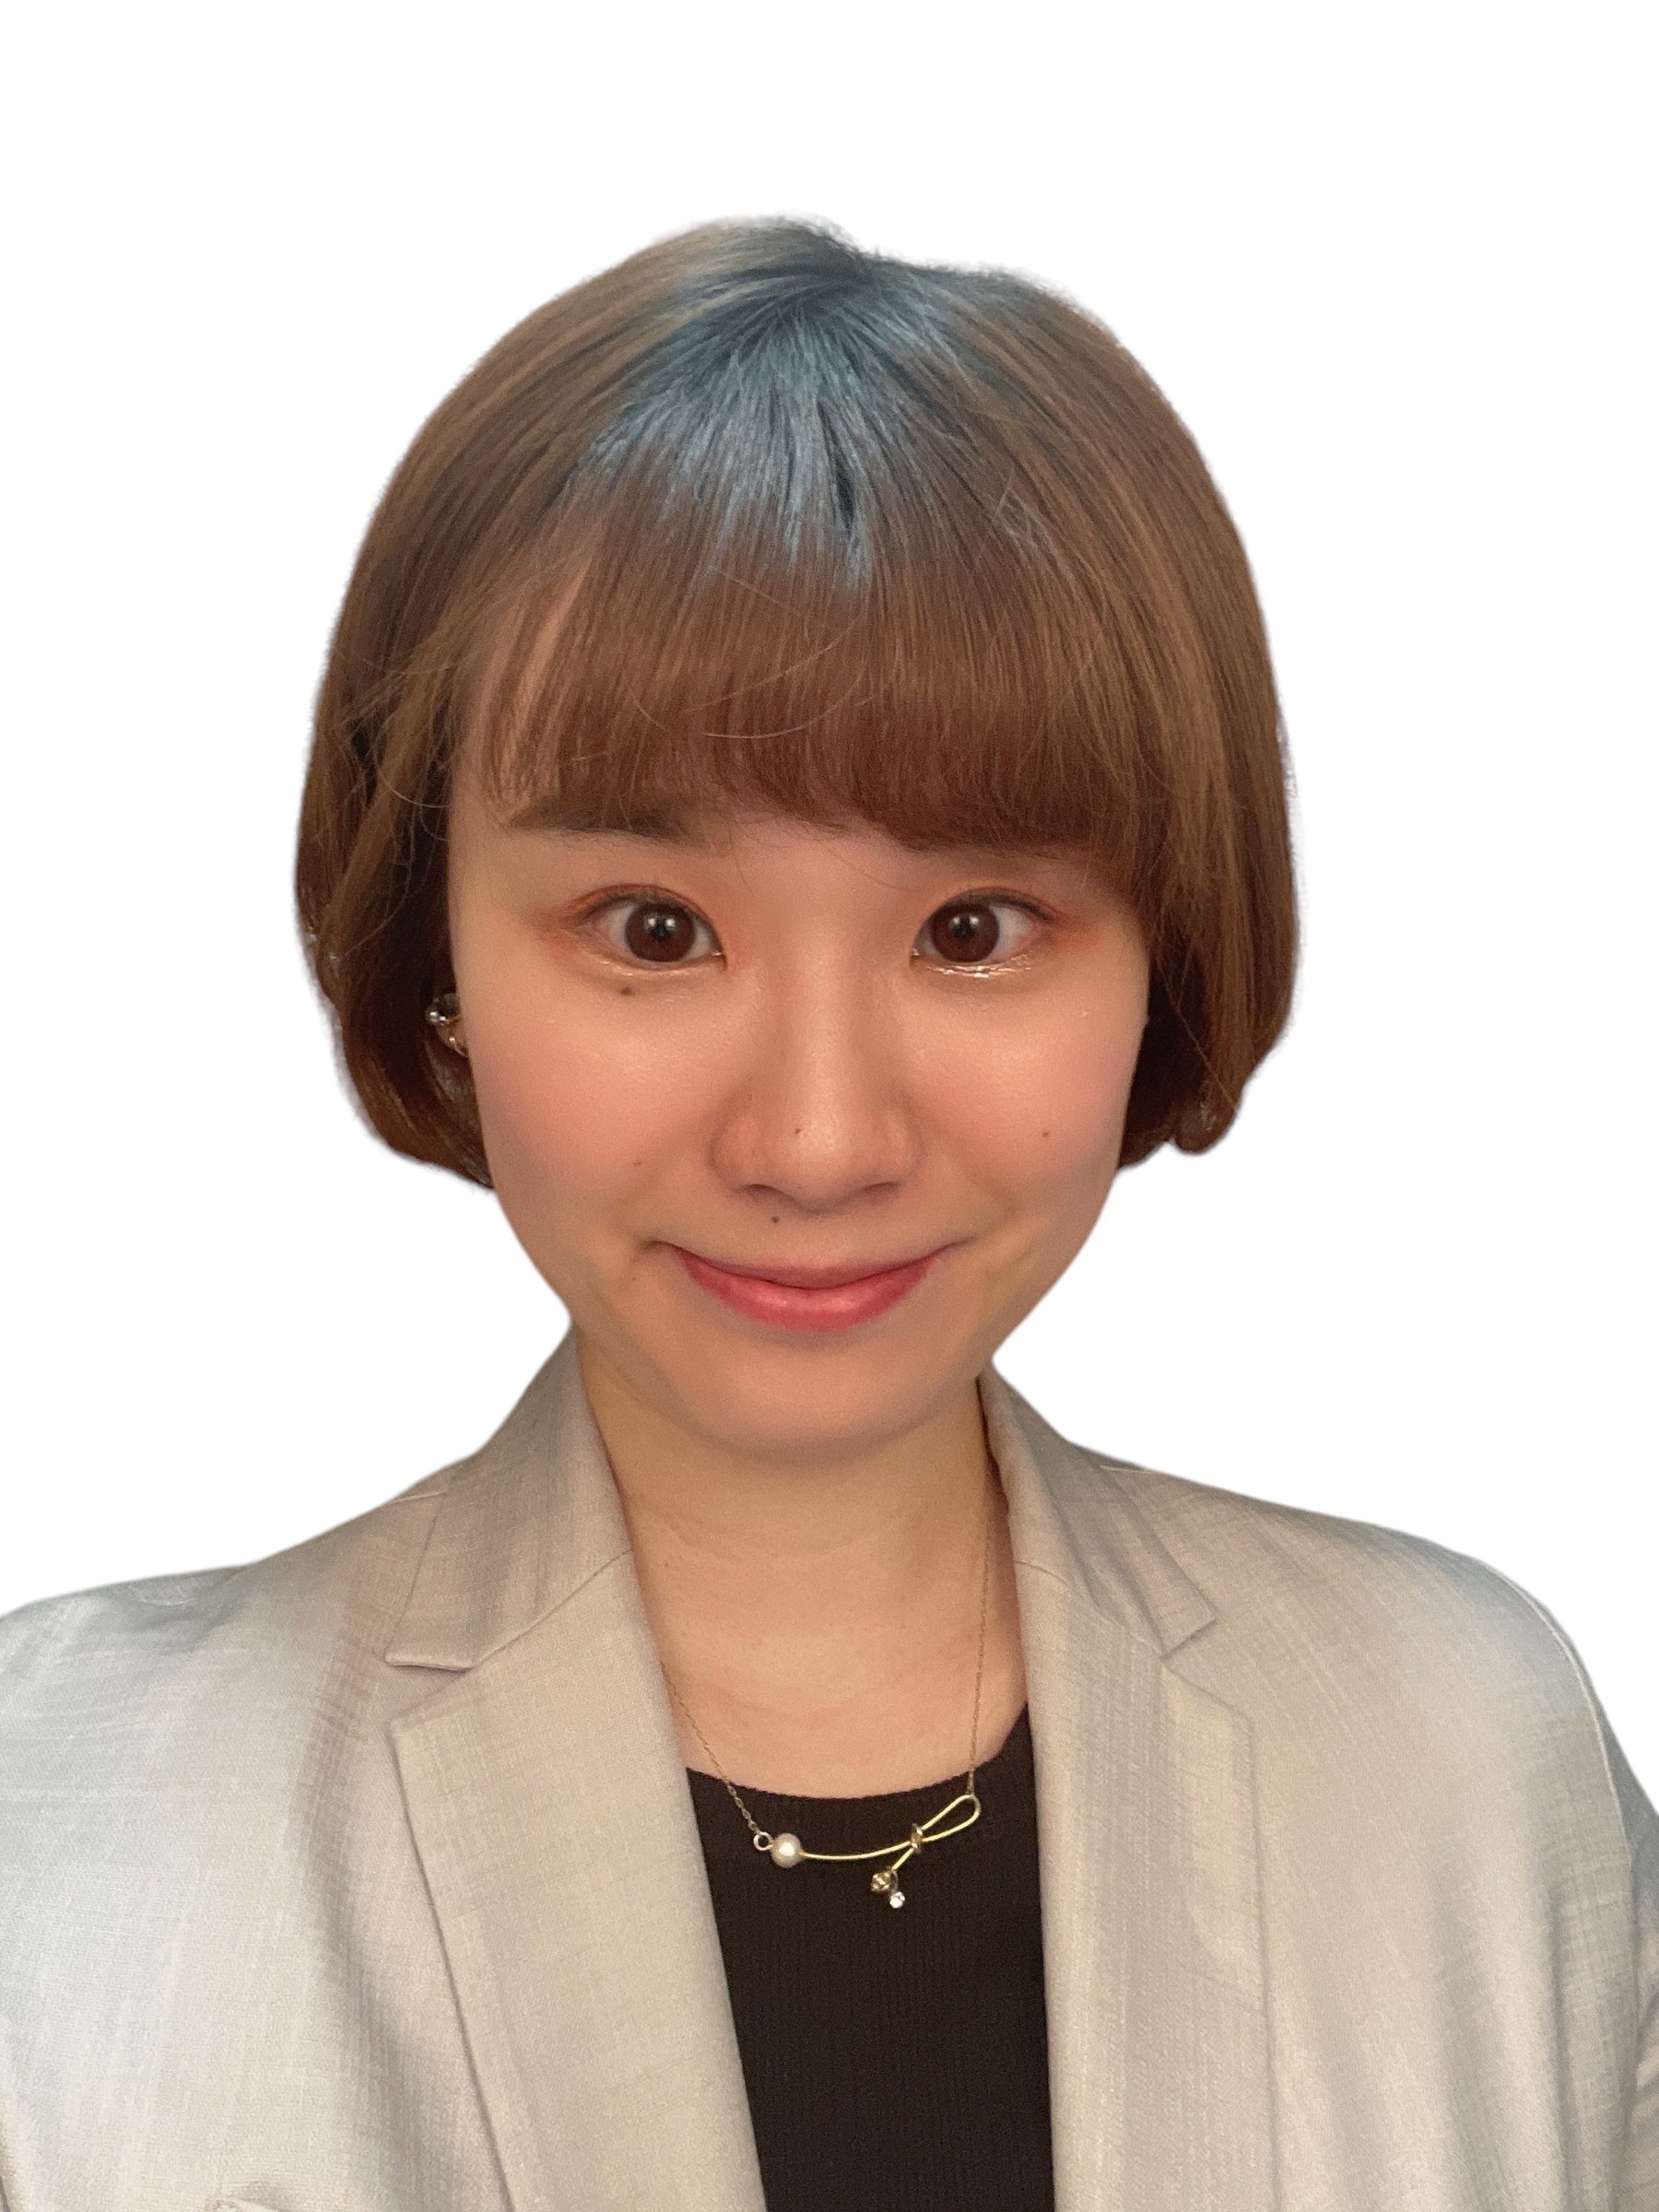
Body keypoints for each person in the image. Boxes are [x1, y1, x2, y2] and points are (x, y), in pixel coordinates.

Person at [0, 219, 1653, 2212]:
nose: (816, 1138)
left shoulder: (1466, 1755)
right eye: (653, 930)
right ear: (434, 956)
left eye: (973, 929)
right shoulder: (58, 1831)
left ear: (1164, 959)